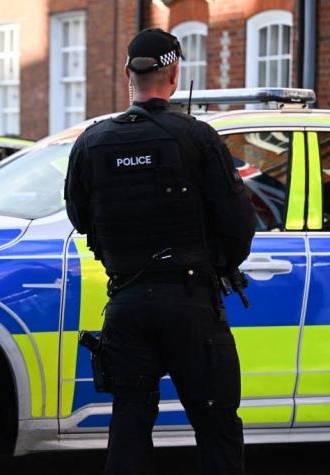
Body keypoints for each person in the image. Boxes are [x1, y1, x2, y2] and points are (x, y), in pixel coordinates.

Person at [65, 28, 255, 475]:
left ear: (129, 75)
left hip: (127, 302)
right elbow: (239, 224)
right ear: (174, 74)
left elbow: (79, 216)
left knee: (129, 426)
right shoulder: (196, 137)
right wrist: (220, 266)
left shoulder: (91, 143)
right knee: (216, 427)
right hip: (190, 303)